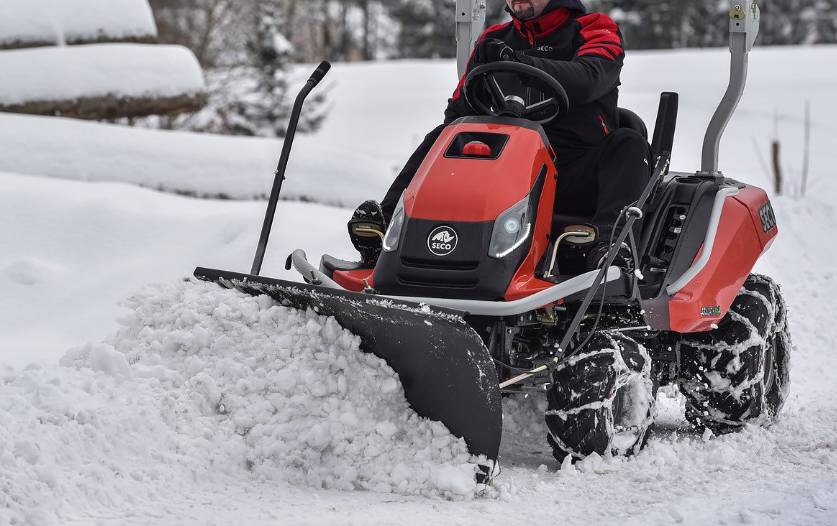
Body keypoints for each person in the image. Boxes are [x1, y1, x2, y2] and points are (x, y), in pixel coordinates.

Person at [348, 0, 651, 270]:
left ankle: (610, 246)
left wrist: (520, 63)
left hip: (574, 169)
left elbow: (590, 77)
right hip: (507, 167)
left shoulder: (594, 28)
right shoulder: (493, 40)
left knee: (629, 144)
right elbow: (458, 111)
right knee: (445, 136)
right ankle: (387, 229)